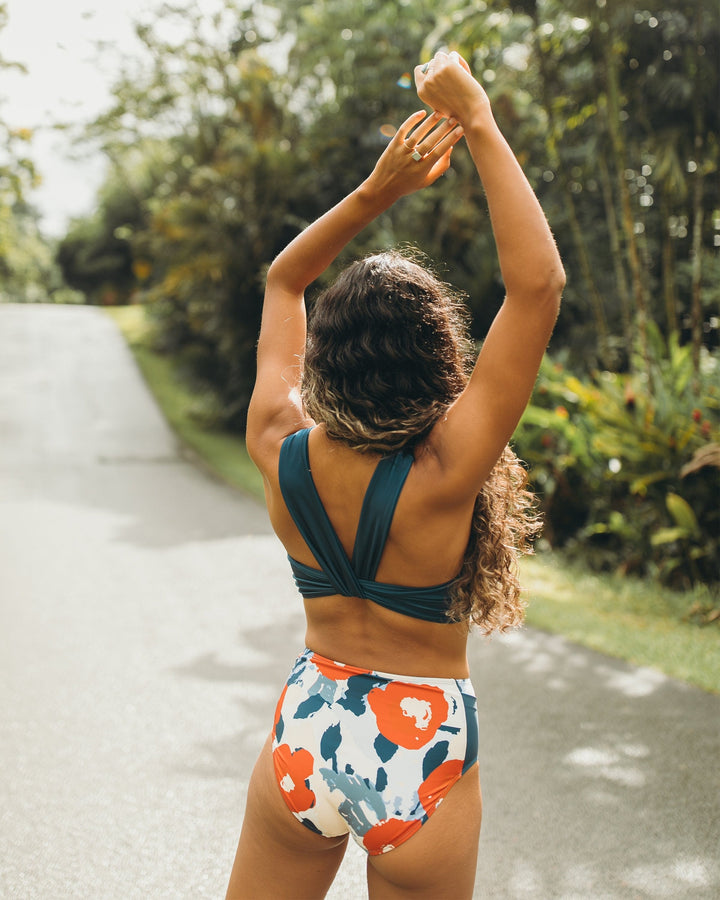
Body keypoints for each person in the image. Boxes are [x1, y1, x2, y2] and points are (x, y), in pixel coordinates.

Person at [225, 50, 565, 900]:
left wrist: (378, 193)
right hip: (418, 752)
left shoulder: (278, 441)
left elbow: (284, 277)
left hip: (309, 729)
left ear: (327, 359)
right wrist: (478, 121)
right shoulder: (447, 470)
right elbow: (538, 288)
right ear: (436, 360)